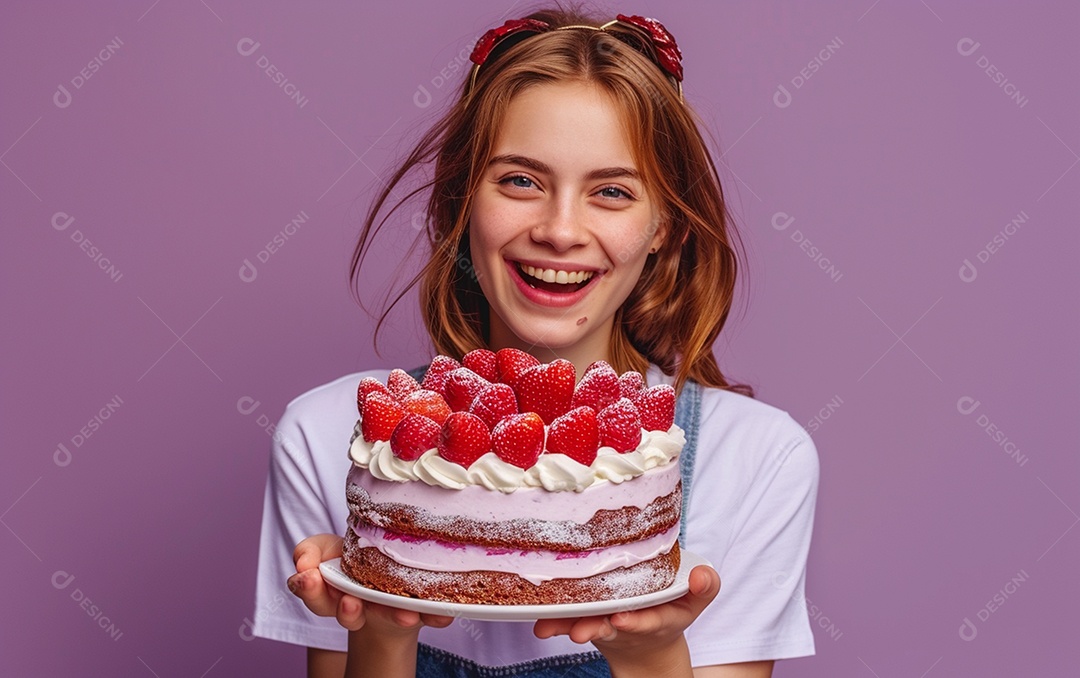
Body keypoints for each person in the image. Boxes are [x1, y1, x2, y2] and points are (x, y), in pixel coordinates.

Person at [252, 6, 820, 677]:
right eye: (521, 180)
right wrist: (378, 625)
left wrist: (648, 651)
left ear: (666, 224)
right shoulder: (328, 437)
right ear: (463, 198)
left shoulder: (758, 461)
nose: (559, 230)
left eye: (611, 191)